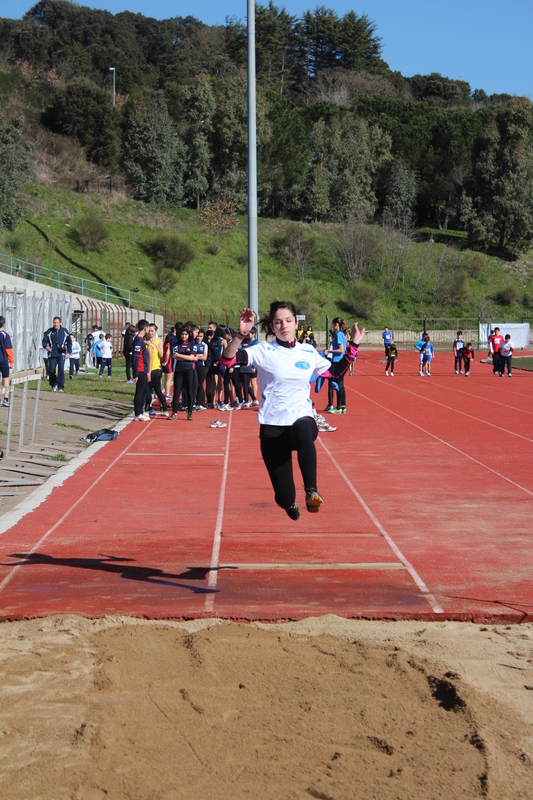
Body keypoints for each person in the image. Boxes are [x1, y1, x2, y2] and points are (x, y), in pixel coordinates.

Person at [221, 301, 365, 520]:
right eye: (278, 322)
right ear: (272, 326)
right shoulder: (263, 350)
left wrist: (353, 344)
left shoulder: (307, 352)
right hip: (272, 429)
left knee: (302, 427)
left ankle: (312, 491)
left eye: (288, 321)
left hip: (302, 419)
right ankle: (288, 503)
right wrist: (240, 335)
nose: (284, 326)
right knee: (285, 496)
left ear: (296, 322)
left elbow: (335, 372)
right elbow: (228, 360)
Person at [171, 324, 196, 420]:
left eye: (186, 334)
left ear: (189, 335)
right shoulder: (177, 344)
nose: (184, 336)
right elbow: (174, 356)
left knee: (189, 391)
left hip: (189, 369)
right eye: (182, 334)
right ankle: (174, 412)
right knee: (177, 391)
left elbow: (191, 357)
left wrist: (180, 356)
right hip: (179, 370)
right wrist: (185, 357)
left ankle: (189, 412)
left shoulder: (192, 344)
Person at [324, 317, 347, 414]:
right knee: (340, 383)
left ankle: (337, 406)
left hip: (337, 361)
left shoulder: (339, 335)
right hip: (341, 361)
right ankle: (342, 406)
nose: (332, 327)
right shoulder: (344, 335)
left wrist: (329, 351)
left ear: (336, 324)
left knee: (335, 383)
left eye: (333, 325)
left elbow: (341, 350)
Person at [43, 316, 72, 392]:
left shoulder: (64, 331)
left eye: (57, 323)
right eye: (54, 323)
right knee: (51, 370)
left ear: (60, 323)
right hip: (52, 354)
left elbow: (69, 342)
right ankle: (53, 384)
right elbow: (44, 341)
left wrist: (68, 352)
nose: (56, 324)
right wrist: (46, 346)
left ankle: (60, 386)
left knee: (61, 369)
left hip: (61, 354)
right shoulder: (49, 331)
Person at [147, 323, 168, 415]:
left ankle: (163, 408)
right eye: (149, 330)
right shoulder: (145, 340)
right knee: (149, 390)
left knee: (156, 390)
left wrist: (154, 344)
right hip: (147, 368)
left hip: (156, 368)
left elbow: (161, 354)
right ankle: (150, 407)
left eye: (152, 331)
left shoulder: (159, 340)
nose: (150, 332)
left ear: (156, 331)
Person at [132, 319, 150, 421]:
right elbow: (136, 357)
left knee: (145, 390)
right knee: (140, 391)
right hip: (139, 369)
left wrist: (147, 371)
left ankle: (141, 411)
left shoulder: (141, 340)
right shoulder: (138, 340)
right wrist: (135, 374)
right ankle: (138, 413)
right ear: (145, 328)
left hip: (143, 369)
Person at [192, 329, 209, 409]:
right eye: (198, 336)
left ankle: (198, 402)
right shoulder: (192, 343)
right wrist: (199, 356)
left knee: (200, 384)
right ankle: (191, 402)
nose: (199, 338)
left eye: (201, 336)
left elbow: (204, 357)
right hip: (192, 366)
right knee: (194, 384)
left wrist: (196, 356)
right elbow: (190, 355)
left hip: (201, 367)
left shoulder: (204, 345)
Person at [0, 316, 14, 407]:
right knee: (6, 379)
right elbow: (8, 349)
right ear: (4, 325)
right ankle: (6, 398)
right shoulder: (5, 335)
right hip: (3, 361)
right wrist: (11, 361)